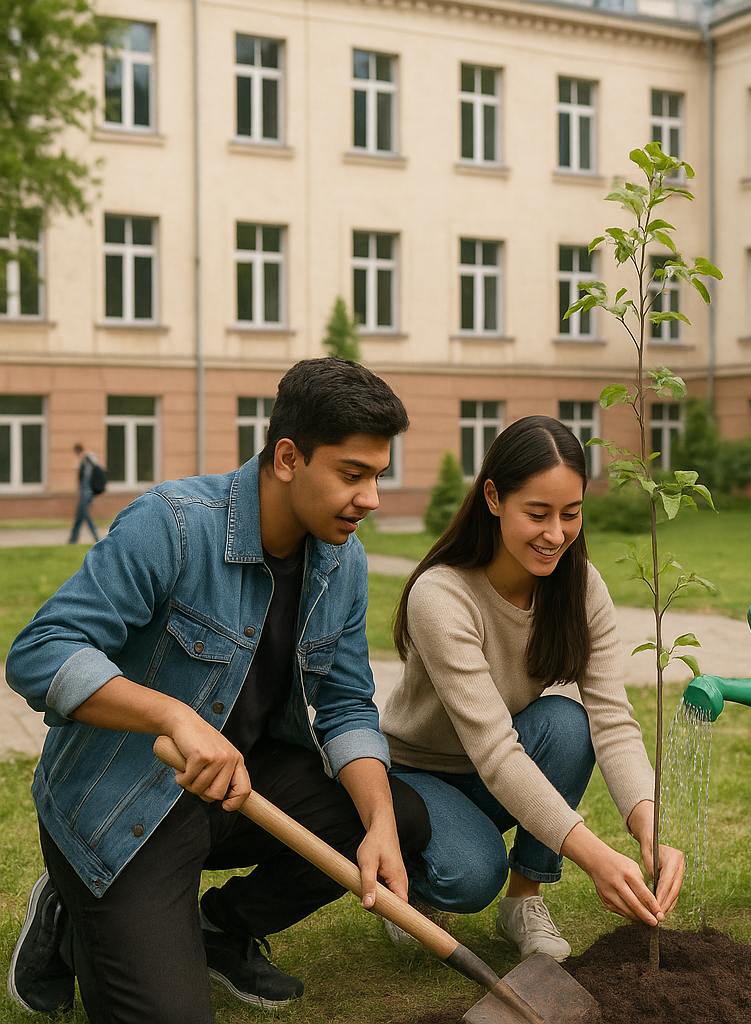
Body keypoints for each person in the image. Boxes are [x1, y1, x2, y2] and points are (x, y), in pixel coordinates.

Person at [6, 358, 430, 1023]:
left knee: (398, 815)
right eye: (352, 475)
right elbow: (39, 652)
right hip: (129, 803)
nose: (371, 498)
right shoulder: (173, 524)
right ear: (288, 457)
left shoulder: (343, 561)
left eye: (377, 475)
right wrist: (173, 716)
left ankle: (216, 927)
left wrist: (376, 826)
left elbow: (346, 704)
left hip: (239, 786)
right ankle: (70, 908)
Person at [380, 415, 683, 962]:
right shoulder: (442, 595)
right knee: (472, 878)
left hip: (490, 770)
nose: (556, 535)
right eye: (537, 514)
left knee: (570, 725)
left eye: (571, 514)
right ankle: (412, 880)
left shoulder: (581, 585)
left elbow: (612, 718)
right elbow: (496, 752)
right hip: (415, 776)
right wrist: (595, 856)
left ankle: (523, 902)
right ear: (493, 498)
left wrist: (649, 824)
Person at [68, 444, 103, 544]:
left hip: (87, 492)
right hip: (86, 492)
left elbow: (87, 477)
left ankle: (96, 537)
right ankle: (73, 539)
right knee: (79, 515)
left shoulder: (87, 458)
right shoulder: (87, 459)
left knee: (85, 514)